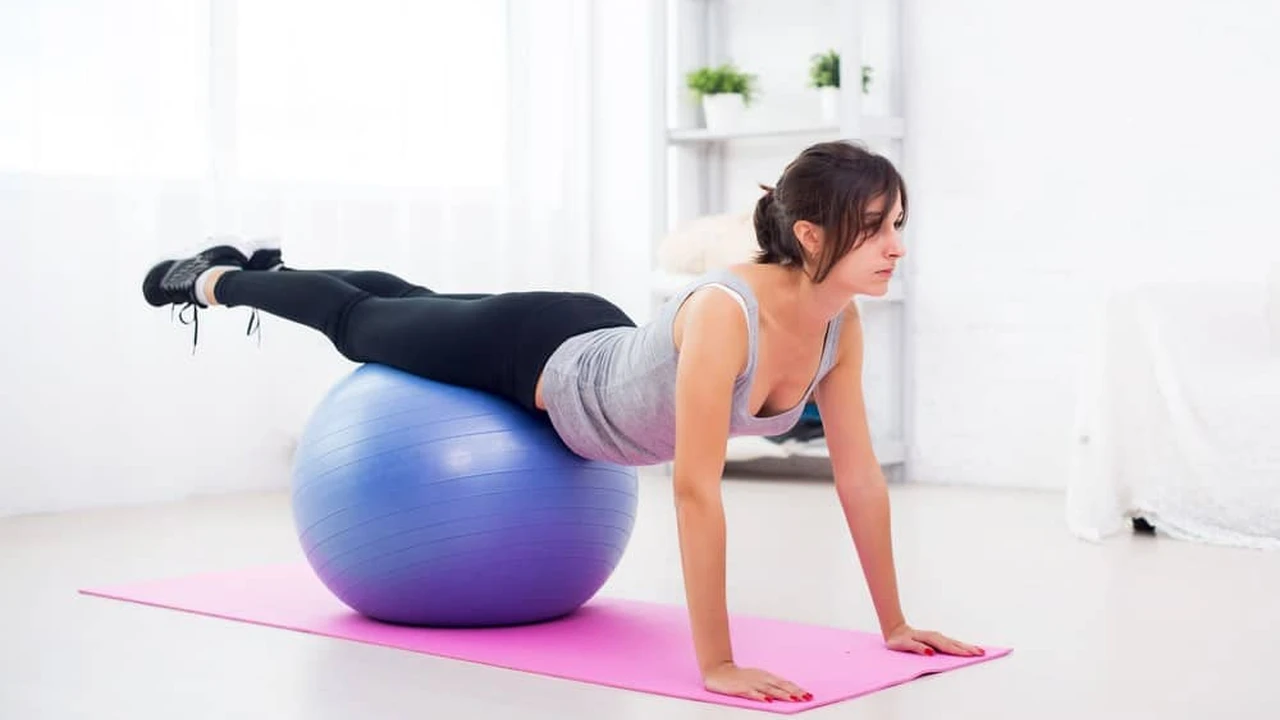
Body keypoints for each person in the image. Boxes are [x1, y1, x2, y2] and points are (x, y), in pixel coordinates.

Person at [141, 140, 983, 703]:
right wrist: (716, 663)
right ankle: (213, 281)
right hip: (539, 356)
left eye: (897, 224)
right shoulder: (731, 314)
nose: (896, 246)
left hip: (599, 337)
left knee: (412, 306)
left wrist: (896, 624)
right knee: (364, 324)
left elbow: (859, 477)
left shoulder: (843, 324)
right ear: (809, 234)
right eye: (875, 229)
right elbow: (693, 491)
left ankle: (275, 268)